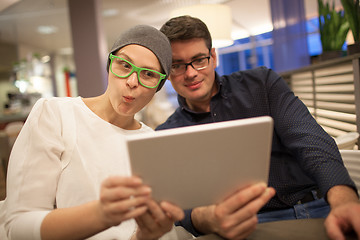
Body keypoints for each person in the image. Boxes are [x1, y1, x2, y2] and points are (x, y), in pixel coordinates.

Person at [156, 15, 360, 240]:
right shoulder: (167, 134)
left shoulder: (262, 83)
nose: (191, 72)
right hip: (241, 229)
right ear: (166, 71)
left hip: (314, 208)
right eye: (177, 65)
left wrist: (344, 201)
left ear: (213, 57)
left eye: (199, 59)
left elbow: (310, 141)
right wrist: (206, 218)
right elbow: (175, 206)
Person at [0, 25, 185, 240]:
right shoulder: (56, 114)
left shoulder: (152, 143)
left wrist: (144, 235)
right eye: (124, 65)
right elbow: (18, 227)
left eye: (148, 74)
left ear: (160, 84)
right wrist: (101, 214)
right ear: (109, 64)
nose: (133, 82)